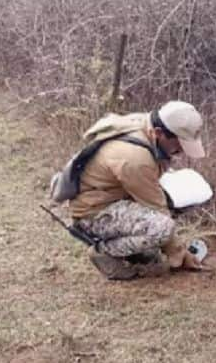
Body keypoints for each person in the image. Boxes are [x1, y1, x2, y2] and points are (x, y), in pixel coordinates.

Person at [69, 101, 207, 280]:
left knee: (167, 210)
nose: (180, 151)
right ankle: (104, 253)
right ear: (159, 133)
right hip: (93, 213)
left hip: (109, 198)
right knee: (162, 226)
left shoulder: (143, 124)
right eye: (179, 145)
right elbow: (159, 210)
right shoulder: (136, 158)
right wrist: (179, 254)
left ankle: (137, 252)